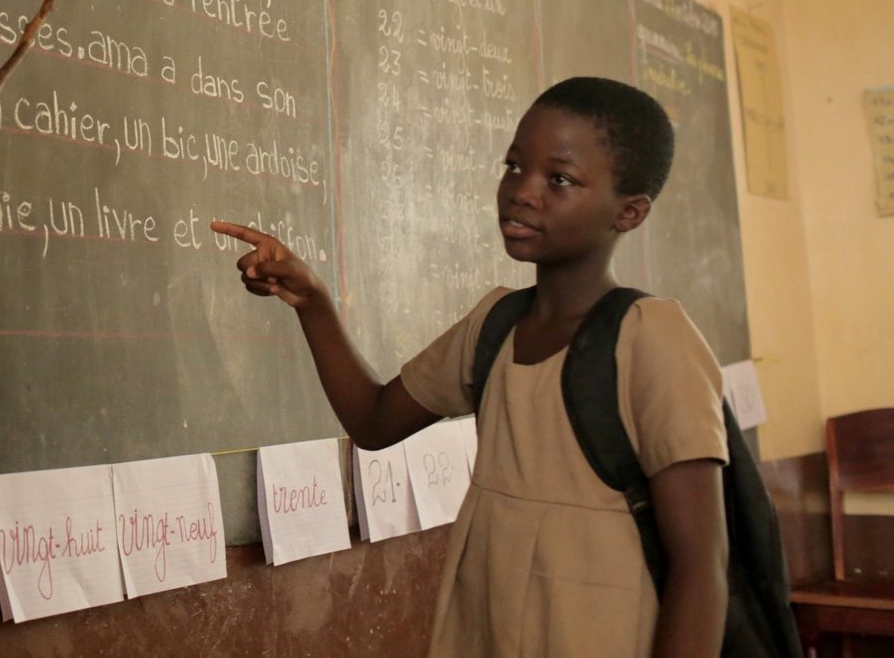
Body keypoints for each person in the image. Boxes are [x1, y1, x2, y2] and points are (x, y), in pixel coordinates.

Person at [214, 78, 728, 657]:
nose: (522, 192)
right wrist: (313, 305)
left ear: (629, 212)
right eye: (514, 167)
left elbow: (701, 570)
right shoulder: (496, 325)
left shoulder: (652, 339)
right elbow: (374, 421)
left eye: (558, 179)